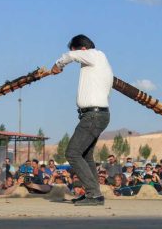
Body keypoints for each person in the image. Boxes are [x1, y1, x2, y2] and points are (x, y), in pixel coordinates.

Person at [52, 34, 113, 206]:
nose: (77, 58)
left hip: (93, 115)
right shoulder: (97, 63)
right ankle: (93, 194)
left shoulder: (95, 55)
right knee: (86, 156)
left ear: (83, 49)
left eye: (77, 52)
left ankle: (94, 195)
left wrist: (58, 65)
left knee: (72, 153)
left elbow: (70, 56)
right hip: (96, 115)